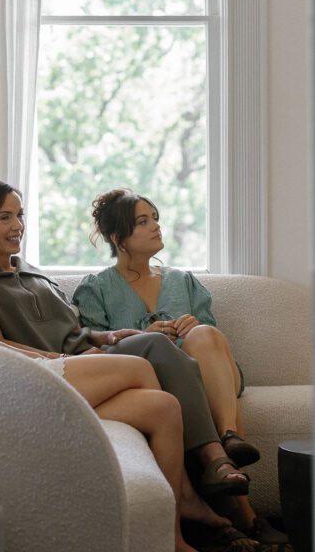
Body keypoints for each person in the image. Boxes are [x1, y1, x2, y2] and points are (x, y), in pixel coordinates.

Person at [0, 178, 271, 552]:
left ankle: (185, 511)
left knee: (163, 399)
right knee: (155, 343)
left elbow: (76, 331)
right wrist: (65, 358)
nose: (17, 225)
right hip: (62, 372)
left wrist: (106, 336)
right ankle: (214, 457)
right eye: (4, 217)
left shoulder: (35, 275)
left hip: (90, 358)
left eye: (19, 215)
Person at [0, 195, 211, 552]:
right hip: (14, 387)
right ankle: (185, 500)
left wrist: (52, 356)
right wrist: (48, 362)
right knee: (138, 365)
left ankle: (172, 534)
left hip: (17, 372)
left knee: (163, 408)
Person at [73, 188, 290, 550]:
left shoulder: (182, 280)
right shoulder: (96, 288)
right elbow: (96, 352)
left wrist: (193, 326)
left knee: (205, 333)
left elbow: (216, 344)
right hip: (156, 381)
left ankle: (228, 439)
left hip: (210, 374)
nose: (156, 226)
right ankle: (245, 511)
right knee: (192, 369)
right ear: (118, 237)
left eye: (155, 218)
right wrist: (145, 334)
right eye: (143, 221)